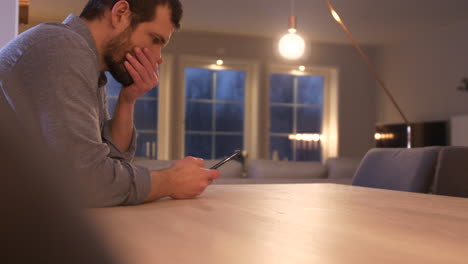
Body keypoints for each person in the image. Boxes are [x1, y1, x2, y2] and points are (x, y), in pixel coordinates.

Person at [0, 0, 220, 207]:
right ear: (120, 13)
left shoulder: (86, 61)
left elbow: (111, 165)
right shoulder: (61, 47)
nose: (158, 57)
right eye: (154, 39)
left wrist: (127, 99)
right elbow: (87, 184)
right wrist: (169, 181)